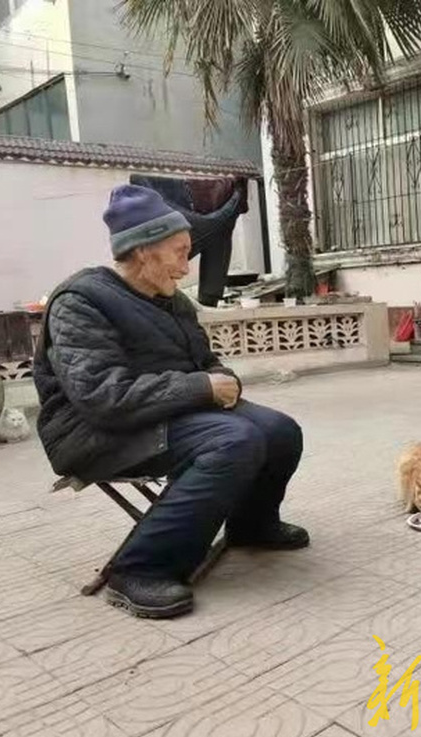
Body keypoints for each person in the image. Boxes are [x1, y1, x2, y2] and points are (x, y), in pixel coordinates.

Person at [33, 184, 308, 619]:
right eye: (180, 252)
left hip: (164, 412)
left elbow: (207, 363)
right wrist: (200, 388)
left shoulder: (172, 302)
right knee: (234, 440)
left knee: (279, 431)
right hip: (92, 431)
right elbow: (102, 396)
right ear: (143, 251)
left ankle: (252, 525)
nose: (185, 267)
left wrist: (224, 380)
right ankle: (139, 569)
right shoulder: (81, 301)